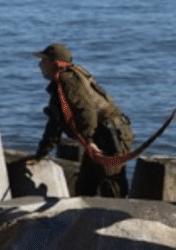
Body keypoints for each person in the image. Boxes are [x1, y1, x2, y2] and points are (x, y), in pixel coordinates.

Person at [31, 42, 134, 198]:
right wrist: (40, 155)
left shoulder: (67, 80)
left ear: (55, 63)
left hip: (110, 134)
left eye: (43, 61)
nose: (40, 66)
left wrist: (90, 141)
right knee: (85, 186)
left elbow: (86, 111)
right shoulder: (60, 82)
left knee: (111, 185)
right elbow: (55, 124)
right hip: (98, 133)